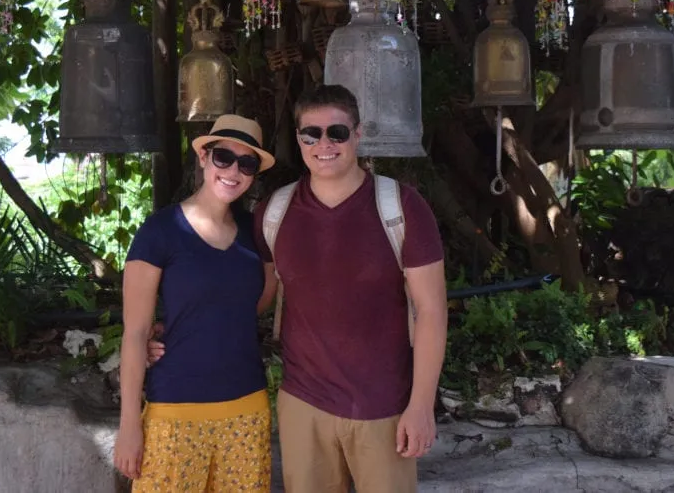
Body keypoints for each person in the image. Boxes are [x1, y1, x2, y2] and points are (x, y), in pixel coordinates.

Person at [149, 84, 448, 493]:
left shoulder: (402, 207)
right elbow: (260, 295)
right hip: (302, 405)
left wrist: (421, 405)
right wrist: (180, 331)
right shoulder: (275, 211)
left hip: (384, 409)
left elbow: (431, 310)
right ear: (299, 139)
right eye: (311, 133)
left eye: (336, 133)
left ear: (357, 135)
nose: (323, 143)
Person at [114, 114, 277, 492]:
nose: (233, 171)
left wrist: (199, 322)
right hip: (175, 411)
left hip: (246, 409)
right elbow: (135, 332)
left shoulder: (255, 233)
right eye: (224, 157)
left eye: (247, 163)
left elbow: (259, 300)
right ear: (204, 157)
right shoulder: (160, 231)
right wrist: (129, 426)